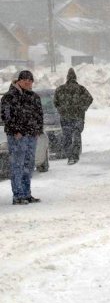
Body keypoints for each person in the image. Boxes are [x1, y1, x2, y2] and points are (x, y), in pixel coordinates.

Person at [1, 70, 43, 205]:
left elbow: (39, 115)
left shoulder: (34, 96)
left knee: (28, 165)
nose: (28, 83)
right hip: (18, 136)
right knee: (17, 165)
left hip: (31, 135)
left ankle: (26, 193)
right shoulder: (9, 97)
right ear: (19, 81)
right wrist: (15, 130)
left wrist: (38, 130)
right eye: (26, 80)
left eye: (31, 81)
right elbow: (5, 116)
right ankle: (18, 195)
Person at [54, 68, 94, 165]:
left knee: (67, 137)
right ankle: (75, 156)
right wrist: (83, 108)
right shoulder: (81, 89)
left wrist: (61, 110)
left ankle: (70, 156)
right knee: (76, 136)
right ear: (75, 78)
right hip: (78, 117)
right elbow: (90, 98)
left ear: (67, 78)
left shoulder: (60, 89)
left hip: (65, 118)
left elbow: (55, 102)